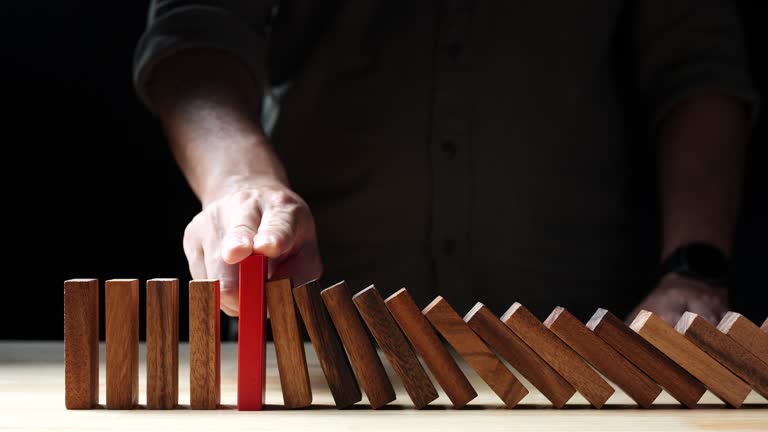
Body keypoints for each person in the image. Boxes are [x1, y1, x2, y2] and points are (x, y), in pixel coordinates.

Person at [133, 0, 756, 325]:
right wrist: (244, 183)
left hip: (582, 334)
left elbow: (698, 62)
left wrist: (691, 270)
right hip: (312, 325)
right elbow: (196, 31)